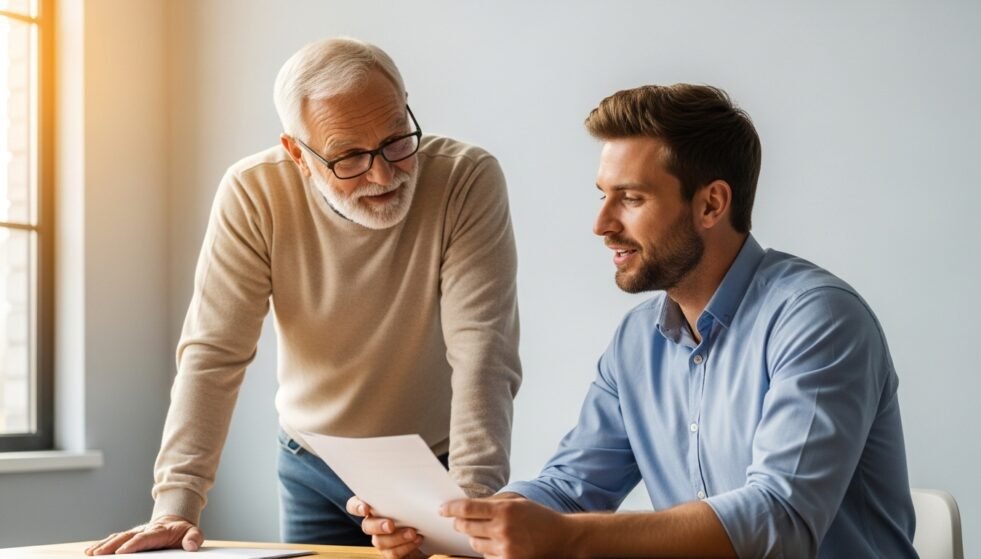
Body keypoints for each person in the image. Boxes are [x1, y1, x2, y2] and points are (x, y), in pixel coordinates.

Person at [352, 84, 917, 558]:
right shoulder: (637, 340)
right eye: (602, 195)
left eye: (630, 198)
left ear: (711, 205)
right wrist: (449, 523)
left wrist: (567, 541)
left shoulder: (818, 320)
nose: (601, 223)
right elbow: (570, 491)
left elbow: (782, 519)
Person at [84, 37, 522, 556]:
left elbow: (483, 350)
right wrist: (176, 506)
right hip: (311, 460)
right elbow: (214, 353)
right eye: (350, 157)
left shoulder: (465, 179)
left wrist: (470, 502)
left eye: (397, 141)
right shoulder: (254, 192)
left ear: (407, 106)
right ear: (297, 153)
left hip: (431, 463)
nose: (383, 175)